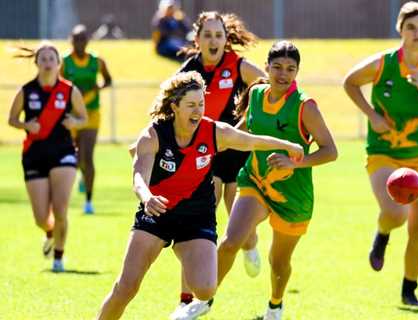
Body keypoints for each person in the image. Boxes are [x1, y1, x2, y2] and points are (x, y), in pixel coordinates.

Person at [96, 71, 304, 320]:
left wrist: (287, 146)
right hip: (157, 212)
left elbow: (252, 141)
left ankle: (182, 247)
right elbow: (138, 176)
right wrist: (147, 197)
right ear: (174, 107)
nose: (198, 111)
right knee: (126, 287)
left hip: (196, 217)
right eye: (191, 105)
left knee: (205, 289)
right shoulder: (153, 135)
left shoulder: (214, 132)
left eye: (201, 104)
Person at [178, 41, 338, 320]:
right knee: (230, 241)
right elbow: (242, 132)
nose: (283, 74)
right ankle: (204, 300)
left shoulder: (304, 107)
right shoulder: (256, 95)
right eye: (277, 67)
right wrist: (210, 147)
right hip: (255, 182)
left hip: (293, 195)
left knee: (279, 261)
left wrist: (295, 162)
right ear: (266, 67)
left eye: (290, 68)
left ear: (297, 71)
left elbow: (330, 151)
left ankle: (275, 306)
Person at [343, 1, 418, 306]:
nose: (416, 33)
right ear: (400, 30)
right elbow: (349, 83)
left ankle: (409, 290)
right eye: (410, 27)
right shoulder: (383, 64)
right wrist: (372, 116)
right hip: (384, 154)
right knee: (396, 212)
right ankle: (382, 233)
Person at [169, 11, 267, 314]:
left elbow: (267, 85)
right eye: (207, 35)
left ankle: (250, 244)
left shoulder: (236, 66)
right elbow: (166, 105)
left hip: (234, 148)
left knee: (236, 215)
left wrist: (247, 117)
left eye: (218, 35)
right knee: (197, 225)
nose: (213, 40)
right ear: (197, 40)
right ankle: (186, 300)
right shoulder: (189, 71)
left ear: (226, 40)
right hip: (203, 154)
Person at [7, 42, 88, 272]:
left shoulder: (69, 90)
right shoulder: (26, 90)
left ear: (58, 63)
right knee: (41, 217)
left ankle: (59, 258)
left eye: (51, 58)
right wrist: (25, 125)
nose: (47, 62)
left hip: (63, 153)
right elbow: (11, 119)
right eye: (43, 58)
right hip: (34, 155)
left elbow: (83, 117)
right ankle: (49, 232)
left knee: (60, 209)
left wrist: (75, 122)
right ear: (36, 63)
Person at [61, 24, 113, 214]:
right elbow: (58, 86)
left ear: (88, 41)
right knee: (75, 157)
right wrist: (72, 93)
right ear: (71, 41)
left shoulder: (96, 61)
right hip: (72, 115)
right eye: (76, 39)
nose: (80, 43)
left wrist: (94, 89)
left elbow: (108, 80)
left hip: (91, 114)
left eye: (83, 39)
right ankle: (80, 178)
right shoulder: (65, 62)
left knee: (87, 157)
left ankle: (89, 202)